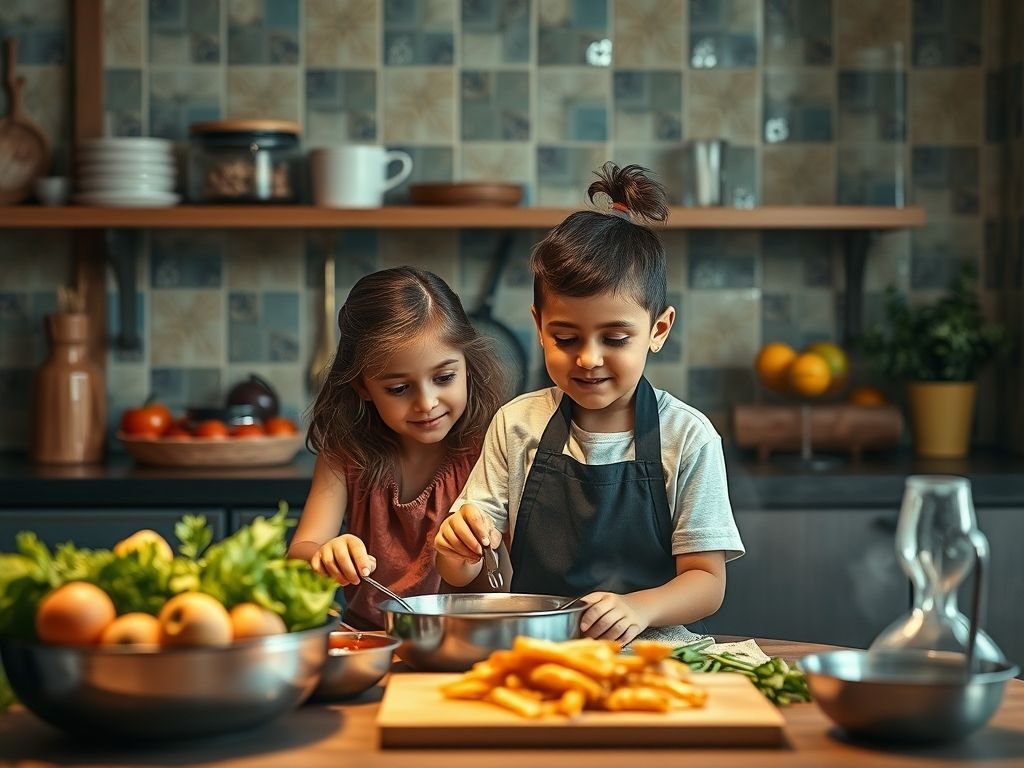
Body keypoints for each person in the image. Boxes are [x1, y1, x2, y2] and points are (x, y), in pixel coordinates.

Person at [434, 163, 745, 644]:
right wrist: (458, 547)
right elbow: (462, 572)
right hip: (541, 654)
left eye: (615, 338)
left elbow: (707, 583)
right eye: (565, 337)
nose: (589, 359)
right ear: (539, 327)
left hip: (658, 658)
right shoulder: (516, 425)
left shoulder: (688, 436)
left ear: (658, 330)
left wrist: (639, 607)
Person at [289, 266, 507, 629]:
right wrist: (323, 557)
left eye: (444, 377)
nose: (427, 403)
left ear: (468, 364)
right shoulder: (346, 454)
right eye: (399, 389)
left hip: (465, 641)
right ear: (363, 386)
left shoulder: (493, 446)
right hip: (368, 640)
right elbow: (300, 553)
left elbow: (507, 584)